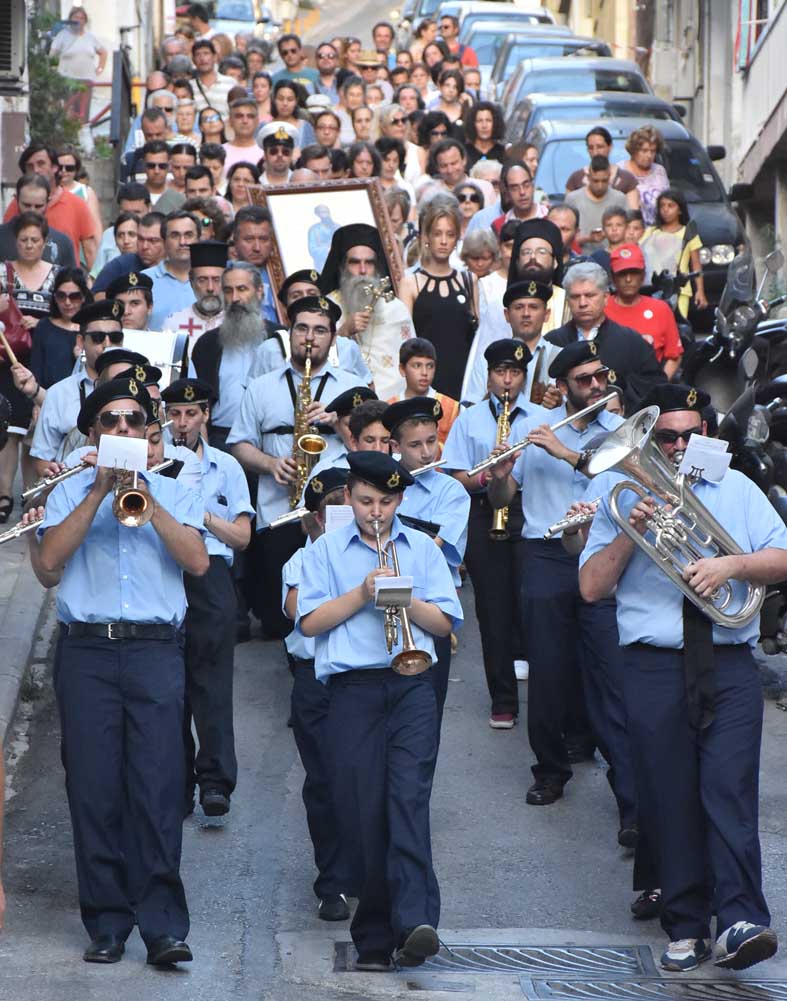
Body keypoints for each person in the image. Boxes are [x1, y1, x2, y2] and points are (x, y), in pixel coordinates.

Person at [579, 382, 787, 974]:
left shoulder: (737, 488)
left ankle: (742, 918)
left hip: (727, 662)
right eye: (664, 437)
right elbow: (591, 587)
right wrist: (630, 534)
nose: (675, 447)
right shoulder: (618, 494)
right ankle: (688, 925)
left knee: (729, 789)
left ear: (706, 435)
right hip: (652, 665)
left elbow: (782, 556)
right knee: (668, 797)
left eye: (687, 436)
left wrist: (731, 565)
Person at [37, 374, 208, 966]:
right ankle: (107, 922)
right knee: (93, 788)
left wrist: (146, 500)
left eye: (134, 420)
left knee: (159, 786)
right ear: (93, 433)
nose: (122, 428)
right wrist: (96, 493)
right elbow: (49, 562)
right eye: (110, 420)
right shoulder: (67, 491)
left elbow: (198, 561)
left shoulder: (175, 490)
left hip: (155, 650)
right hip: (87, 651)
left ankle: (163, 927)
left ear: (148, 431)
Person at [297, 450, 462, 972]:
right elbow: (308, 622)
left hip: (412, 685)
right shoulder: (325, 550)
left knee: (408, 798)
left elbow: (444, 624)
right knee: (364, 811)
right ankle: (373, 936)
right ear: (348, 497)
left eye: (387, 502)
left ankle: (414, 922)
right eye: (367, 501)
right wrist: (363, 593)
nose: (376, 512)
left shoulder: (422, 548)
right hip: (352, 689)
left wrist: (403, 596)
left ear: (400, 500)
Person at [487, 340, 636, 829]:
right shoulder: (535, 428)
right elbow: (502, 498)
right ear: (562, 386)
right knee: (547, 671)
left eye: (600, 376)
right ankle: (550, 771)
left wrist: (565, 452)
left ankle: (632, 799)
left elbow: (619, 476)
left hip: (602, 551)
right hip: (546, 554)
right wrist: (500, 476)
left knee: (611, 676)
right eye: (584, 380)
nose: (596, 386)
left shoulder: (620, 430)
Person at [227, 295, 361, 636]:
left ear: (333, 337)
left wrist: (338, 423)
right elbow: (239, 444)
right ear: (289, 333)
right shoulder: (260, 386)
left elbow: (371, 447)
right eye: (302, 328)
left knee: (338, 604)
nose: (310, 337)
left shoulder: (353, 387)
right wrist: (271, 463)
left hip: (338, 513)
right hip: (278, 512)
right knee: (279, 620)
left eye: (320, 330)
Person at [161, 378, 252, 817]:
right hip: (166, 567)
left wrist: (200, 514)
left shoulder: (226, 466)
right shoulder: (157, 459)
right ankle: (175, 783)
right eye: (175, 414)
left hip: (212, 572)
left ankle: (215, 781)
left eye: (191, 414)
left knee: (212, 682)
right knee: (169, 685)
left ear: (206, 415)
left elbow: (242, 537)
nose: (182, 423)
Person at [442, 339, 545, 726]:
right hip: (484, 512)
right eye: (501, 372)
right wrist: (487, 475)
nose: (507, 380)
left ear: (524, 377)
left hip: (529, 510)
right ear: (489, 376)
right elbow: (454, 475)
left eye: (515, 372)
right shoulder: (468, 420)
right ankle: (503, 699)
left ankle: (546, 701)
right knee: (492, 608)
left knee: (535, 605)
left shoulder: (541, 419)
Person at [282, 467, 353, 921]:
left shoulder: (377, 554)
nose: (344, 516)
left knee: (366, 778)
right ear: (315, 519)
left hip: (362, 677)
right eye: (334, 510)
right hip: (316, 679)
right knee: (325, 780)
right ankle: (332, 880)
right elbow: (297, 610)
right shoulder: (300, 561)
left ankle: (366, 867)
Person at [383, 397, 469, 721]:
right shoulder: (381, 488)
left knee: (427, 713)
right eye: (415, 444)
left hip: (430, 608)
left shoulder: (451, 491)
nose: (427, 452)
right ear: (395, 446)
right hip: (382, 608)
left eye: (432, 441)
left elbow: (435, 547)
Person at [546, 261, 666, 410]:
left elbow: (654, 391)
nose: (582, 303)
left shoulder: (631, 341)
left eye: (590, 295)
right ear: (567, 301)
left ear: (606, 297)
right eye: (575, 297)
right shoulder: (552, 341)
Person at [318, 223, 415, 399]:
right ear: (342, 266)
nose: (362, 271)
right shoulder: (325, 308)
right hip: (341, 403)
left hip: (393, 402)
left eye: (369, 263)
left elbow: (413, 362)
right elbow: (312, 362)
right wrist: (342, 332)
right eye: (355, 262)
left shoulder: (395, 309)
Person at [27, 301, 125, 474]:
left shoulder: (138, 388)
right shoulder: (58, 393)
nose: (107, 344)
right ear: (80, 341)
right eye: (98, 337)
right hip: (72, 484)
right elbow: (41, 458)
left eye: (115, 337)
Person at [399, 194, 478, 400]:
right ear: (426, 237)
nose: (443, 241)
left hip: (463, 377)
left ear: (457, 238)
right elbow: (404, 340)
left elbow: (476, 335)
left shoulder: (469, 281)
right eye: (437, 234)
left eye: (450, 234)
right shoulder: (410, 283)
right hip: (424, 379)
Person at [251, 269, 371, 384]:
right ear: (284, 308)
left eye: (312, 294)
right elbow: (254, 392)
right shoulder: (269, 349)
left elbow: (367, 388)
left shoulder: (347, 348)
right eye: (296, 296)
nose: (306, 299)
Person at [462, 279, 557, 407]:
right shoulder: (486, 360)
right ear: (506, 315)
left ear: (546, 314)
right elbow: (471, 410)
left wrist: (560, 405)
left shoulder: (559, 357)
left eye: (534, 307)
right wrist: (493, 396)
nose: (526, 314)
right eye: (519, 307)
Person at [4, 144, 97, 268]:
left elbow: (90, 250)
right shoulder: (15, 206)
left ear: (54, 167)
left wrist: (94, 278)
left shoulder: (77, 204)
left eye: (41, 164)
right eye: (30, 166)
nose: (36, 170)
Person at [605, 244, 683, 379]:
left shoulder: (660, 309)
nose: (628, 279)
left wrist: (660, 383)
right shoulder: (601, 308)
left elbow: (674, 355)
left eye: (634, 272)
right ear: (612, 277)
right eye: (622, 273)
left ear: (643, 275)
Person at [640, 188, 707, 316]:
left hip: (680, 289)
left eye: (671, 206)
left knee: (677, 323)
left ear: (680, 210)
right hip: (653, 288)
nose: (665, 210)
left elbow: (696, 264)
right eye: (662, 206)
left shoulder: (688, 233)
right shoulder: (651, 232)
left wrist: (700, 291)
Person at [389, 338, 460, 451]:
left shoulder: (452, 408)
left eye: (430, 366)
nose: (424, 372)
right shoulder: (389, 407)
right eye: (417, 366)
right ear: (402, 369)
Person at [27, 268, 92, 389]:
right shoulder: (44, 326)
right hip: (47, 395)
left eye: (74, 296)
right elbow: (36, 370)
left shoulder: (92, 328)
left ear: (83, 297)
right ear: (55, 297)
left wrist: (81, 359)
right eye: (61, 296)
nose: (67, 302)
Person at [0, 175, 76, 268]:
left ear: (48, 202)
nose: (32, 211)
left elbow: (71, 276)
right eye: (27, 205)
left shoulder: (62, 243)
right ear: (16, 199)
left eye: (38, 206)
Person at [1, 211, 60, 328]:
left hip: (46, 338)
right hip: (8, 338)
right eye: (23, 240)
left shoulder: (58, 275)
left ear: (44, 242)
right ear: (16, 241)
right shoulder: (2, 272)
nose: (29, 245)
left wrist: (41, 324)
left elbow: (68, 318)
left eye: (35, 240)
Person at [164, 241, 227, 348]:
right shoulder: (174, 323)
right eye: (202, 280)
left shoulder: (239, 322)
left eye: (217, 280)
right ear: (191, 281)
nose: (210, 288)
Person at [142, 211, 200, 329]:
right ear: (164, 241)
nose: (182, 242)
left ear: (199, 239)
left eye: (188, 235)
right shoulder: (143, 280)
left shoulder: (213, 281)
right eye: (175, 235)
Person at [50, 5, 107, 120]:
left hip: (86, 81)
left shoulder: (90, 37)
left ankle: (82, 130)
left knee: (82, 116)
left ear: (85, 21)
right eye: (76, 17)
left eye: (81, 18)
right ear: (70, 19)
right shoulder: (63, 35)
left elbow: (103, 52)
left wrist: (99, 69)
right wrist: (54, 70)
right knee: (68, 114)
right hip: (67, 80)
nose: (78, 20)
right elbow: (53, 54)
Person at [565, 127, 640, 211]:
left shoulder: (626, 179)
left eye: (600, 147)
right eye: (591, 148)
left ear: (610, 147)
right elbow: (568, 212)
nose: (595, 152)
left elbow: (632, 213)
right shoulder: (576, 178)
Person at [564, 156, 629, 253]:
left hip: (614, 257)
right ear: (588, 177)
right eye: (596, 181)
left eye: (604, 181)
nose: (600, 186)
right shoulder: (573, 199)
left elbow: (628, 233)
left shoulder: (620, 199)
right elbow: (565, 237)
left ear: (610, 177)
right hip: (581, 258)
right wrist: (588, 238)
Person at [619, 126, 669, 227]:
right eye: (644, 151)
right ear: (634, 151)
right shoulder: (620, 171)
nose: (649, 155)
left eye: (653, 151)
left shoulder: (659, 171)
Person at [492, 162, 548, 234]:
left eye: (526, 185)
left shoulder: (550, 217)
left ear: (533, 186)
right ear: (507, 192)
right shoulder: (499, 226)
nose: (522, 192)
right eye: (514, 188)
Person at [192, 39, 236, 120]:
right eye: (198, 54)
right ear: (193, 60)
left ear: (215, 57)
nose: (202, 58)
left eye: (206, 53)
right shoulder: (190, 87)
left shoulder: (230, 83)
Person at [222, 98, 262, 172]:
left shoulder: (265, 153)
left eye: (250, 116)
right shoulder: (220, 152)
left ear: (257, 121)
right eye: (239, 116)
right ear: (230, 121)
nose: (245, 121)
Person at [463, 102, 506, 168]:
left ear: (495, 123)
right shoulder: (464, 152)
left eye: (488, 120)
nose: (484, 125)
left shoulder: (503, 152)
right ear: (473, 124)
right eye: (479, 121)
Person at [590, 206, 629, 276]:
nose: (614, 229)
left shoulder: (634, 254)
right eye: (609, 225)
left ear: (626, 227)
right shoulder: (596, 258)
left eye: (619, 225)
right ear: (603, 229)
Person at [257, 121, 297, 186]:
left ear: (292, 154)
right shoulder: (255, 184)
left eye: (285, 151)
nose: (280, 155)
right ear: (264, 154)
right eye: (274, 151)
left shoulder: (300, 182)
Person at [547, 204, 581, 268]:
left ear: (576, 233)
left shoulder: (583, 267)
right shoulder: (532, 263)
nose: (556, 233)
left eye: (564, 229)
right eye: (552, 227)